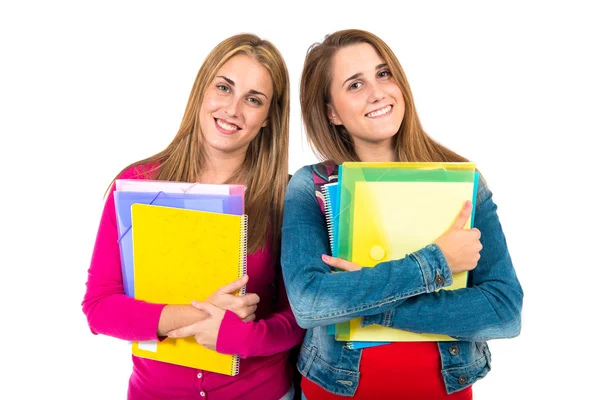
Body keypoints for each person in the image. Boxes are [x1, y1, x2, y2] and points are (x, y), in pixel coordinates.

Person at [281, 29, 523, 399]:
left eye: (383, 74)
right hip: (337, 389)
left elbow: (504, 311)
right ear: (332, 112)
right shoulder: (310, 187)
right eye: (355, 85)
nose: (378, 92)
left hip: (443, 391)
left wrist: (364, 306)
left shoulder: (464, 182)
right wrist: (436, 261)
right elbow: (311, 303)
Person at [82, 33, 305, 400]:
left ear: (268, 118)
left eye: (253, 100)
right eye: (224, 88)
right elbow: (100, 307)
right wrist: (199, 318)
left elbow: (299, 319)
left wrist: (242, 337)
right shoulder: (138, 185)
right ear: (202, 90)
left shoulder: (288, 195)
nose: (233, 109)